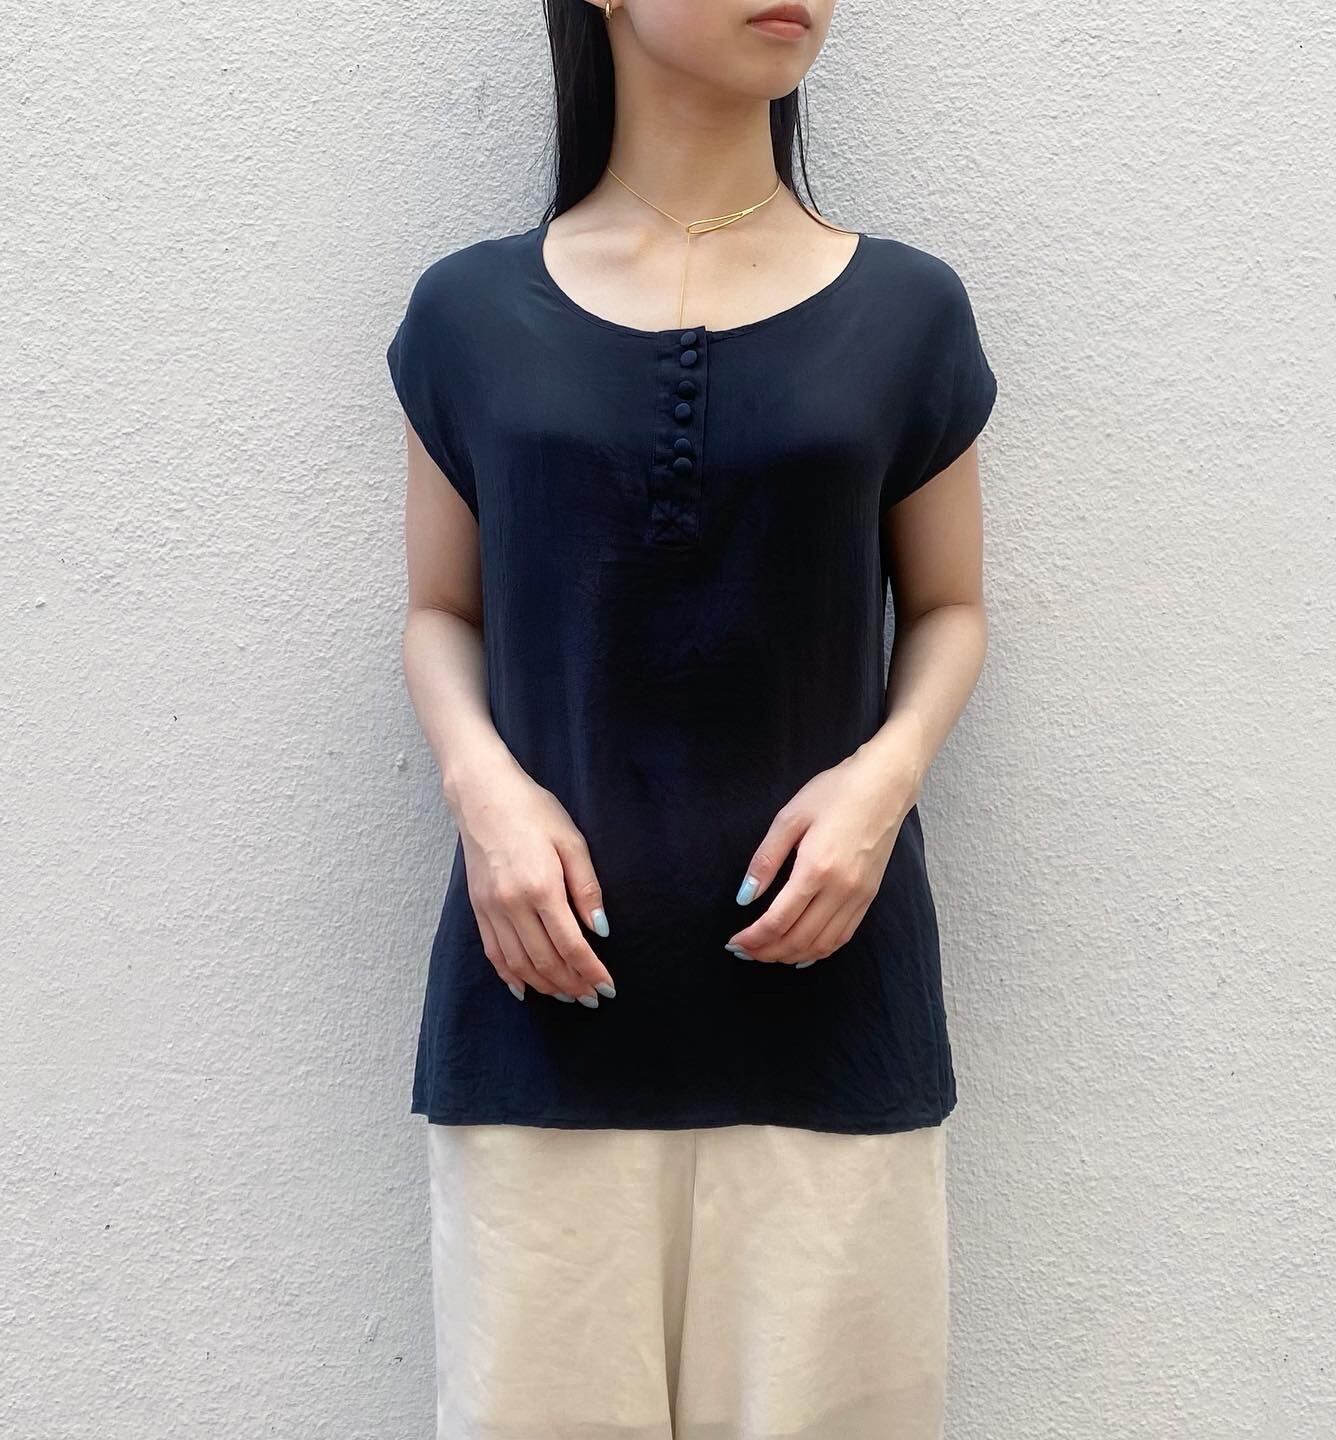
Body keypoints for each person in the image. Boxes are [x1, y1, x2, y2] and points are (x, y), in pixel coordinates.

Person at [384, 1, 997, 1435]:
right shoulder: (468, 313)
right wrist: (484, 791)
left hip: (828, 1018)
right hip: (542, 1015)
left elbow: (953, 606)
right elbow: (439, 610)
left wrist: (883, 781)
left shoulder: (908, 309)